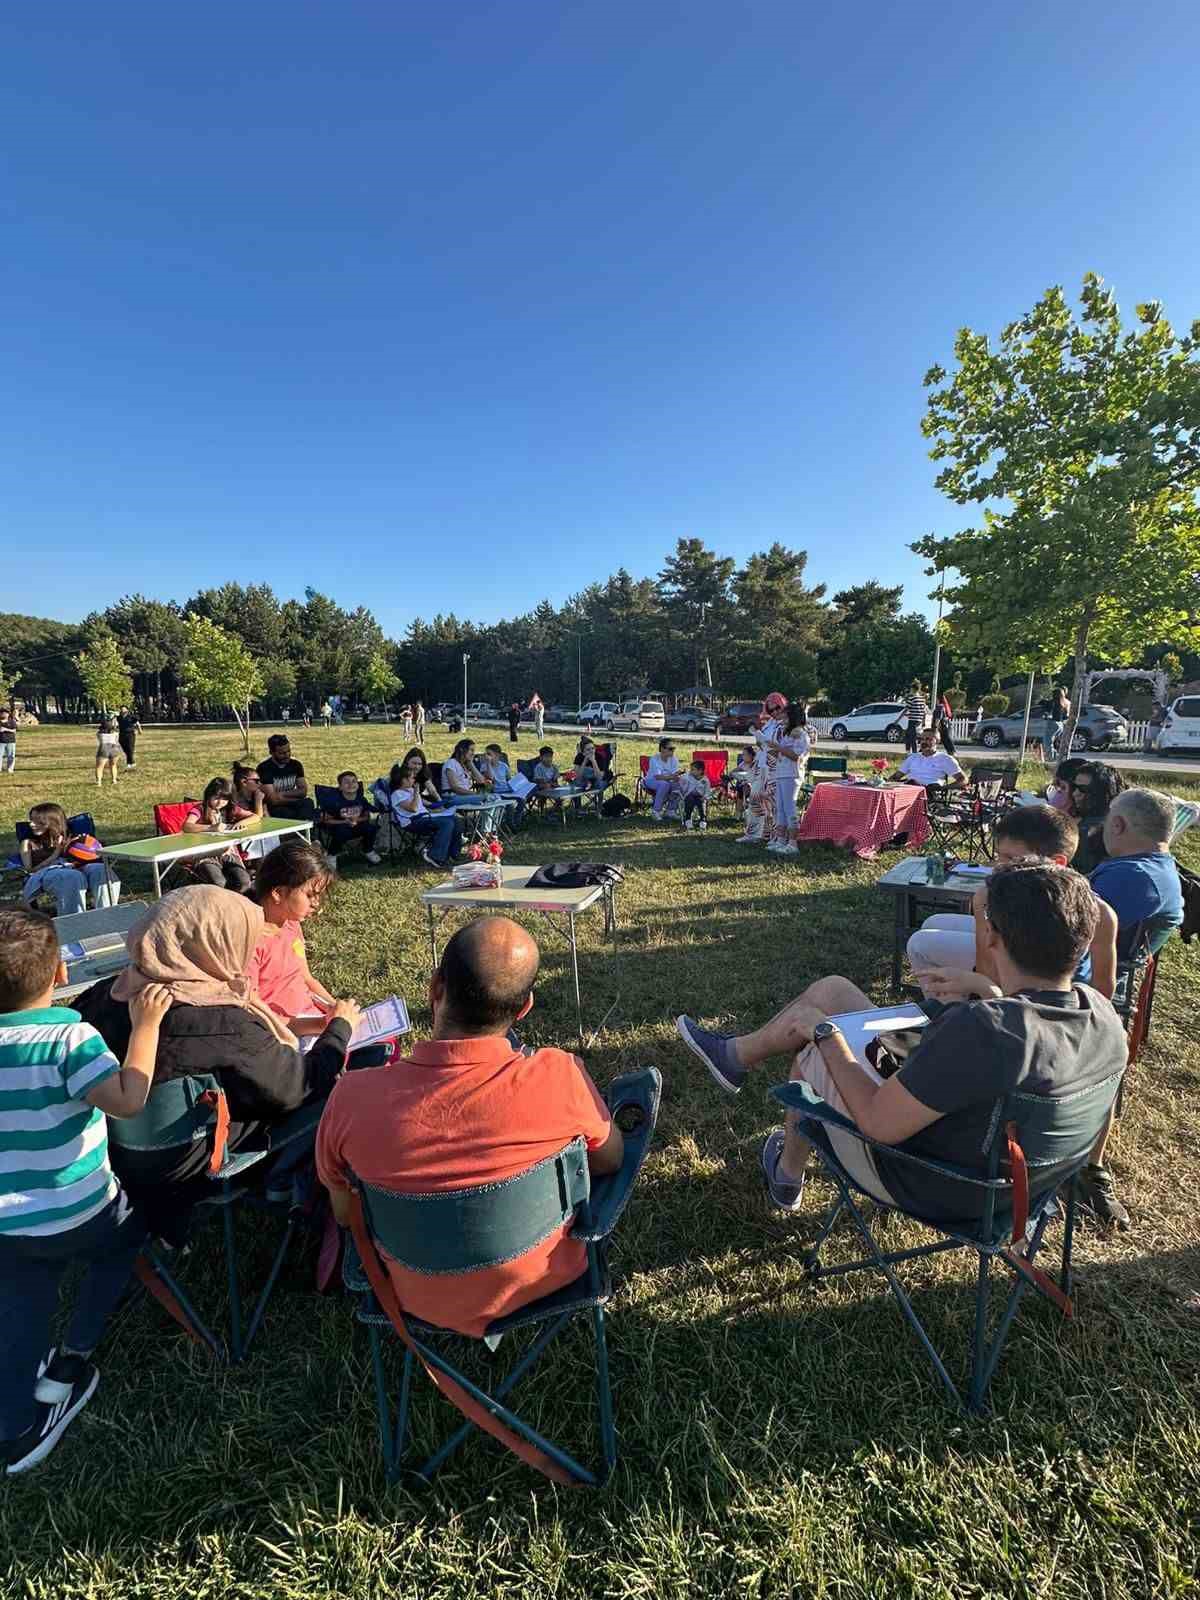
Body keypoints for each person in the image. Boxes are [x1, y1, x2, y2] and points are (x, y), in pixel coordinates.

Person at [675, 862, 1126, 1221]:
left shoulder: (984, 1029)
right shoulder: (1102, 1016)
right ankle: (735, 1057)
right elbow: (1016, 1041)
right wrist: (987, 993)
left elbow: (878, 1123)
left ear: (991, 936)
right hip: (1020, 1187)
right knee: (835, 992)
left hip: (936, 1183)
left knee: (811, 1054)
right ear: (1083, 941)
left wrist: (826, 1034)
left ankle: (786, 1173)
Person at [316, 917, 623, 1336]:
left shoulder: (350, 1098)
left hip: (411, 1295)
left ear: (434, 988)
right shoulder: (559, 1074)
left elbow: (344, 1214)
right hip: (547, 1280)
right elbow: (610, 1159)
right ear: (525, 1007)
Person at [75, 887, 362, 1242]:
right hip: (190, 1163)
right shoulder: (221, 1020)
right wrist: (339, 1029)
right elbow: (299, 1085)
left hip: (112, 1160)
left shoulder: (100, 996)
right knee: (339, 1090)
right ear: (215, 945)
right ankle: (286, 1182)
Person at [0, 906, 171, 1475]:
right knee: (128, 1235)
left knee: (20, 1314)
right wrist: (146, 1027)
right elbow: (127, 1099)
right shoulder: (70, 1038)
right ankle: (76, 1350)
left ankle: (16, 1429)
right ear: (60, 973)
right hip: (84, 1210)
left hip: (9, 1226)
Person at [1076, 787, 1185, 1230]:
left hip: (1075, 981)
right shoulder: (1159, 868)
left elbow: (1059, 926)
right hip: (1095, 977)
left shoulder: (1129, 877)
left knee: (930, 940)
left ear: (1118, 825)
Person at [906, 805, 1117, 1000]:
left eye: (1012, 859)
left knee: (919, 943)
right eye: (999, 856)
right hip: (1009, 976)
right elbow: (986, 967)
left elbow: (1103, 989)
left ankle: (952, 1010)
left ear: (1056, 862)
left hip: (1051, 997)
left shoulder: (1099, 913)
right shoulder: (993, 895)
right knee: (934, 921)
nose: (999, 867)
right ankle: (949, 1004)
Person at [248, 840, 345, 1037]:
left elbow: (306, 978)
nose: (316, 904)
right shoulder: (250, 941)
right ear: (278, 893)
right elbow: (254, 1013)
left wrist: (336, 1009)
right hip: (283, 1035)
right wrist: (324, 1024)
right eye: (310, 895)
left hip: (311, 1019)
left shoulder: (290, 924)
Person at [20, 803, 121, 915]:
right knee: (72, 877)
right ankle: (73, 921)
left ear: (53, 822)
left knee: (101, 870)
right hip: (49, 871)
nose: (31, 824)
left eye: (38, 821)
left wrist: (88, 845)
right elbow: (30, 870)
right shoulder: (28, 842)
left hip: (78, 866)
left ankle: (107, 915)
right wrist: (56, 854)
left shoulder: (73, 837)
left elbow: (94, 853)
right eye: (31, 820)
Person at [381, 751, 463, 868]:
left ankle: (453, 855)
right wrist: (416, 793)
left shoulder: (410, 790)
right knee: (446, 823)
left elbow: (427, 804)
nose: (414, 780)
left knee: (456, 820)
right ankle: (435, 856)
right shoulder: (397, 794)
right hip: (412, 822)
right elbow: (413, 808)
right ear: (403, 780)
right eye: (412, 778)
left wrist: (443, 804)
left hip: (424, 817)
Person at [181, 778, 255, 893]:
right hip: (205, 856)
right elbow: (186, 826)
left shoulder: (230, 809)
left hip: (227, 854)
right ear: (208, 795)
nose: (220, 802)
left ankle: (234, 901)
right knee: (219, 883)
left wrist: (240, 823)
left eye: (225, 799)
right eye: (216, 798)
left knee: (244, 882)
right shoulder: (200, 809)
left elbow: (254, 817)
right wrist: (210, 827)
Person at [736, 691, 788, 844]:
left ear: (783, 706)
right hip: (762, 764)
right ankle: (754, 833)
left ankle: (775, 836)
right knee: (754, 798)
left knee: (774, 803)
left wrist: (767, 743)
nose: (774, 712)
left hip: (776, 767)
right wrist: (759, 740)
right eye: (770, 709)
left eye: (777, 708)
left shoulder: (787, 724)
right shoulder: (770, 723)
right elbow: (764, 744)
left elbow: (783, 746)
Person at [1068, 761, 1125, 874]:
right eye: (1074, 787)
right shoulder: (1122, 818)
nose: (1075, 793)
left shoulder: (1087, 830)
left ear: (1102, 793)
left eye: (1083, 789)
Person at [768, 703, 810, 853]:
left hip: (792, 775)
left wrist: (779, 748)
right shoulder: (787, 734)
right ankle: (780, 840)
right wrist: (771, 749)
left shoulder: (802, 735)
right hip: (781, 773)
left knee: (789, 808)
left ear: (793, 717)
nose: (783, 720)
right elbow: (783, 754)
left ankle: (793, 844)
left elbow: (796, 756)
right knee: (780, 808)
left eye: (786, 717)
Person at [319, 771, 382, 865]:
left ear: (358, 785)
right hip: (338, 827)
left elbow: (366, 816)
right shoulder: (334, 802)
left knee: (371, 828)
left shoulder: (361, 799)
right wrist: (345, 821)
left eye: (353, 781)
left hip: (357, 825)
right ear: (340, 787)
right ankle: (332, 854)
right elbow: (326, 820)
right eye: (346, 782)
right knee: (341, 831)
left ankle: (368, 850)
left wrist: (356, 820)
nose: (351, 784)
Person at [256, 735, 317, 821]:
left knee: (308, 803)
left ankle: (303, 826)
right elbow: (273, 800)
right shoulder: (264, 768)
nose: (287, 755)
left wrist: (280, 795)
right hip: (274, 807)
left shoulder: (296, 765)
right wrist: (295, 798)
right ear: (271, 752)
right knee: (288, 812)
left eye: (288, 751)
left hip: (290, 802)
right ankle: (301, 827)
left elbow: (303, 791)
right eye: (282, 753)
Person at [890, 727, 966, 788]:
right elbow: (895, 777)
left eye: (928, 739)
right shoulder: (913, 757)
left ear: (937, 741)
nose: (924, 742)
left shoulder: (945, 759)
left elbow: (963, 780)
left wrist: (945, 788)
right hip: (910, 790)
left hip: (930, 791)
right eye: (922, 739)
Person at [646, 738, 683, 821]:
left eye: (673, 748)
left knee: (680, 784)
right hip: (651, 780)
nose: (673, 751)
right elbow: (658, 777)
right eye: (670, 749)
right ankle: (656, 811)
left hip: (668, 780)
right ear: (662, 749)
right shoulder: (654, 759)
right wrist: (672, 777)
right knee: (664, 784)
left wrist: (677, 777)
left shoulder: (674, 759)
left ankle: (671, 810)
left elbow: (674, 774)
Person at [679, 759, 711, 832]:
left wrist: (705, 797)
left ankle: (703, 820)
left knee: (701, 804)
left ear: (700, 771)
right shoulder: (688, 777)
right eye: (691, 769)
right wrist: (681, 776)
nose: (691, 771)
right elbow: (681, 780)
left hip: (700, 797)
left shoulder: (705, 780)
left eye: (693, 770)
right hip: (689, 795)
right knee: (690, 801)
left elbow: (707, 791)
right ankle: (688, 819)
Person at [1042, 687, 1071, 763]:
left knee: (1048, 742)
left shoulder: (1053, 702)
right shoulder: (1065, 703)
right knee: (1055, 743)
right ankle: (1056, 757)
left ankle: (1051, 758)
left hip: (1052, 723)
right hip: (1060, 724)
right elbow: (1065, 716)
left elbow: (1045, 708)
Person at [95, 718, 122, 787]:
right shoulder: (115, 733)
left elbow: (99, 739)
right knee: (113, 765)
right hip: (114, 748)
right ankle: (114, 780)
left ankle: (99, 782)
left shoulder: (99, 734)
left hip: (104, 747)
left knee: (99, 767)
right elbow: (116, 740)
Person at [903, 680, 928, 754]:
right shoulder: (922, 699)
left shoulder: (912, 698)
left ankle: (913, 752)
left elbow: (906, 709)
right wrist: (923, 721)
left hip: (912, 720)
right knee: (908, 735)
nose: (910, 690)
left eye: (911, 689)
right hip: (918, 720)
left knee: (912, 737)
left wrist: (898, 719)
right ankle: (909, 751)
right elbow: (923, 711)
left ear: (913, 689)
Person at [0, 707, 17, 773]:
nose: (3, 714)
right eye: (2, 713)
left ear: (8, 714)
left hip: (11, 741)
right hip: (1, 742)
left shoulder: (12, 721)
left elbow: (14, 731)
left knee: (11, 756)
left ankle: (10, 769)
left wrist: (5, 729)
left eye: (5, 713)